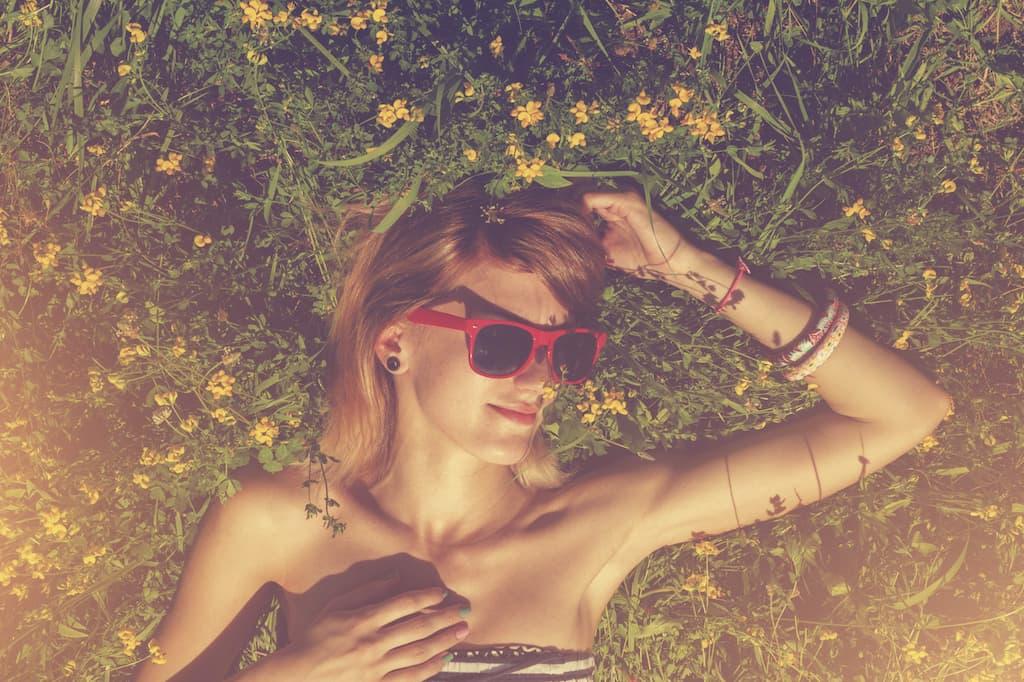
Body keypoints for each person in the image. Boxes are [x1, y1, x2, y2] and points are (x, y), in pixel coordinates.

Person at [131, 176, 951, 681]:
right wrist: (301, 675)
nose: (540, 379)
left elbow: (904, 412)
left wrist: (685, 264)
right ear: (394, 340)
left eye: (567, 351)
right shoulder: (278, 517)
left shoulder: (602, 523)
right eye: (501, 343)